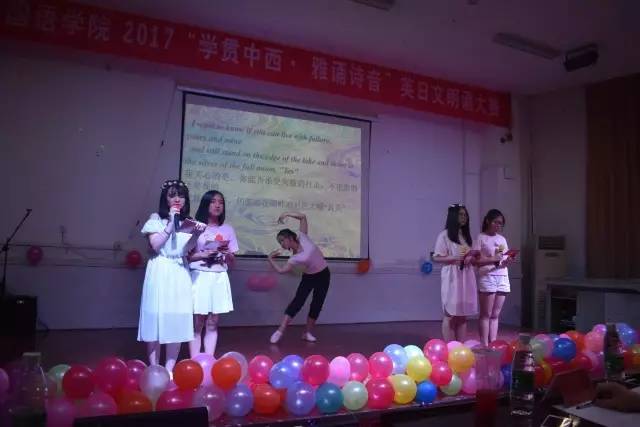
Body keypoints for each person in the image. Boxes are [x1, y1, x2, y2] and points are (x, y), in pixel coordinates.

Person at [137, 179, 205, 372]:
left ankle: (169, 370)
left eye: (181, 196)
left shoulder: (188, 221)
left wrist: (196, 235)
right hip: (160, 269)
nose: (177, 199)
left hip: (179, 270)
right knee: (155, 317)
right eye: (172, 195)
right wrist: (169, 224)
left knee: (177, 318)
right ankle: (155, 368)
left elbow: (186, 250)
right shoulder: (156, 219)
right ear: (165, 198)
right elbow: (156, 245)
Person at [188, 190, 238, 357]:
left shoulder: (228, 229)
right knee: (198, 322)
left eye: (221, 202)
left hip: (219, 277)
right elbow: (187, 257)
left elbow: (232, 263)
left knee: (213, 322)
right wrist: (204, 254)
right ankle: (195, 360)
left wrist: (228, 253)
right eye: (213, 201)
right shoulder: (196, 227)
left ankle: (209, 360)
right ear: (206, 204)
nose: (217, 205)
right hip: (200, 276)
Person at [267, 212, 330, 344]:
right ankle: (280, 331)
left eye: (282, 240)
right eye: (279, 242)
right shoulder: (294, 258)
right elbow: (281, 270)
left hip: (324, 274)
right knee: (297, 302)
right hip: (309, 277)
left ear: (290, 237)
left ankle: (307, 333)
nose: (281, 244)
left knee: (317, 304)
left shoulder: (303, 237)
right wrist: (270, 258)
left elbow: (302, 217)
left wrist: (286, 214)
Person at [431, 204, 479, 342]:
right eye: (461, 214)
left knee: (462, 315)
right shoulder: (444, 235)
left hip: (466, 275)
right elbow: (437, 257)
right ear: (453, 216)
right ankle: (450, 347)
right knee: (450, 314)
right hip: (452, 276)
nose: (464, 217)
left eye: (465, 215)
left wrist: (471, 258)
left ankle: (460, 347)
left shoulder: (465, 236)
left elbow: (473, 256)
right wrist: (454, 257)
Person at [473, 209, 516, 346]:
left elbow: (503, 258)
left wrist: (508, 260)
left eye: (501, 223)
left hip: (502, 276)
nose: (498, 225)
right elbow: (476, 261)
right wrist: (493, 259)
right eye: (496, 222)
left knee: (495, 315)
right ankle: (484, 345)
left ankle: (493, 343)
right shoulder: (480, 238)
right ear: (488, 221)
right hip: (487, 276)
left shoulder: (502, 239)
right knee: (486, 314)